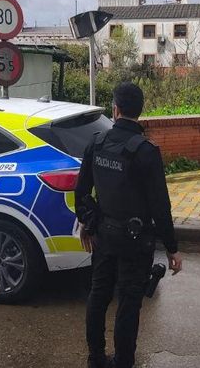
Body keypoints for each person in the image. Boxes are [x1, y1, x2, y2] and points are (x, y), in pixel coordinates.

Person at [75, 81, 183, 368]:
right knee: (129, 303)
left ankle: (95, 358)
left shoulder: (96, 143)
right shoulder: (145, 151)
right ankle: (124, 361)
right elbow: (161, 206)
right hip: (136, 241)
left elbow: (82, 192)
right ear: (140, 111)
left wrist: (89, 222)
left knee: (98, 296)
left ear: (115, 109)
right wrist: (172, 248)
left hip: (104, 237)